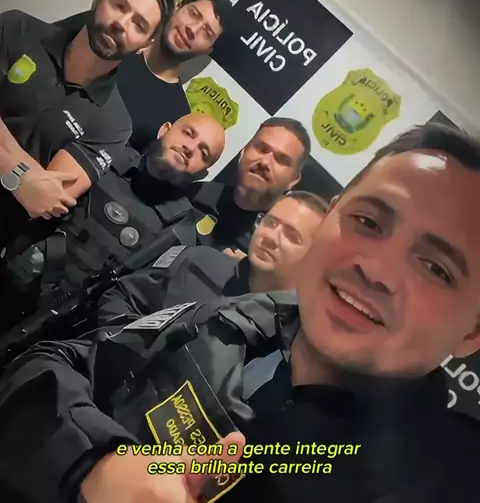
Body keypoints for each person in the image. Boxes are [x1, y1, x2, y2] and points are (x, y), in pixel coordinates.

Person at [2, 122, 480, 503]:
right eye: (368, 221)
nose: (376, 270)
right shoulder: (235, 318)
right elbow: (46, 367)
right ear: (333, 214)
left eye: (436, 268)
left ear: (474, 330)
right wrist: (97, 468)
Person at [0, 112, 225, 355]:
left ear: (203, 174)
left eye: (204, 153)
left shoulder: (181, 233)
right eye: (188, 133)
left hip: (50, 339)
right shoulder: (103, 155)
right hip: (11, 279)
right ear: (165, 130)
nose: (190, 148)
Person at [0, 0, 168, 246]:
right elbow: (31, 186)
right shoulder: (18, 29)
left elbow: (44, 201)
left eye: (139, 25)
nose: (121, 23)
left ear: (145, 44)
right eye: (119, 6)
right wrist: (20, 177)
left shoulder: (114, 124)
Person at [96, 190, 327, 326]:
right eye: (270, 222)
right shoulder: (196, 261)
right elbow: (122, 298)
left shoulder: (292, 334)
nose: (271, 237)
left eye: (291, 236)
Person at [56, 0, 233, 153]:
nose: (192, 30)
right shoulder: (113, 32)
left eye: (207, 32)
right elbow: (44, 45)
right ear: (177, 7)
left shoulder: (177, 117)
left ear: (208, 50)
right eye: (193, 14)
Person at [189, 116, 311, 253]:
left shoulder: (273, 251)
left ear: (293, 179)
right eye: (261, 149)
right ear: (244, 151)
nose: (265, 162)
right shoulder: (195, 194)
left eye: (281, 159)